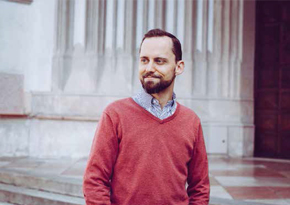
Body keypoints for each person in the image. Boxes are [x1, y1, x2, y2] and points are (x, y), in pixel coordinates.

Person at [83, 28, 210, 205]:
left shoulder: (191, 121)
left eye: (159, 61)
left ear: (178, 67)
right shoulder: (115, 114)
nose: (149, 68)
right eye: (144, 60)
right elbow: (94, 181)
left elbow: (200, 187)